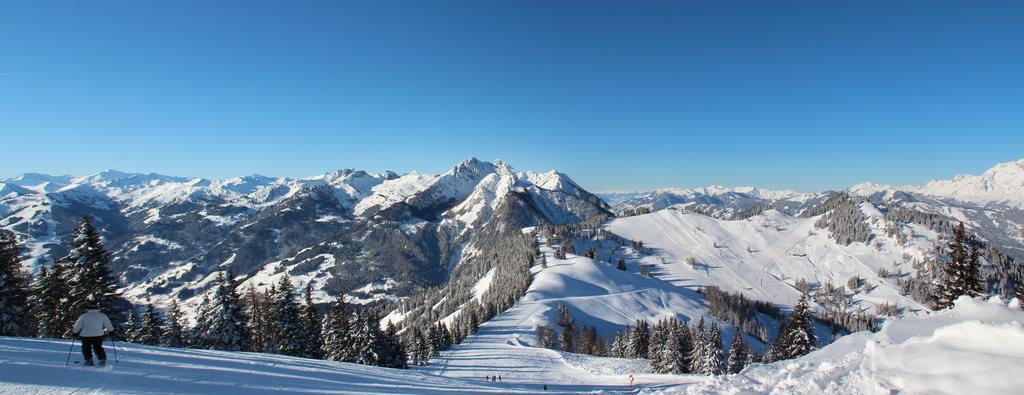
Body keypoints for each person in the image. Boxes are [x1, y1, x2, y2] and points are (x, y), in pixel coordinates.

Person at [72, 301, 115, 366]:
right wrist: (111, 331)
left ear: (88, 309)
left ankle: (88, 360)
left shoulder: (83, 316)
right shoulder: (102, 316)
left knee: (86, 348)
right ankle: (102, 360)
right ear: (97, 308)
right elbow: (108, 325)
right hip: (98, 335)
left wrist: (75, 332)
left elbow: (77, 326)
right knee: (98, 347)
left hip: (85, 335)